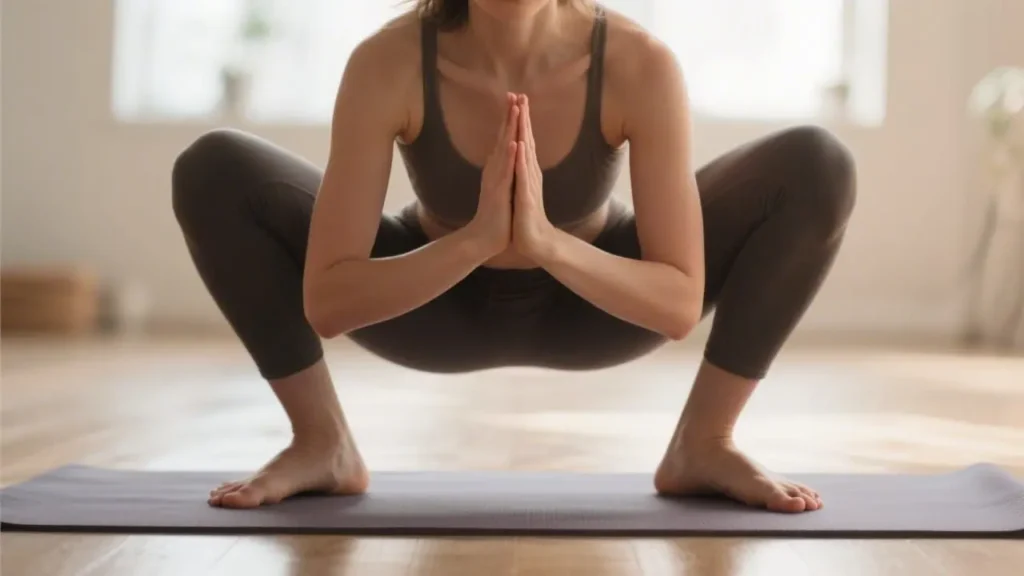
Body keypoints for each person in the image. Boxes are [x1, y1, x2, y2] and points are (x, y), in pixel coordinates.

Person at [172, 0, 855, 512]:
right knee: (214, 169)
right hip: (428, 307)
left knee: (816, 164)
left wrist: (544, 241)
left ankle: (704, 444)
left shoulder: (637, 61)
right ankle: (322, 442)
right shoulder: (389, 60)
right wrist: (475, 239)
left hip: (598, 307)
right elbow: (329, 300)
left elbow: (676, 304)